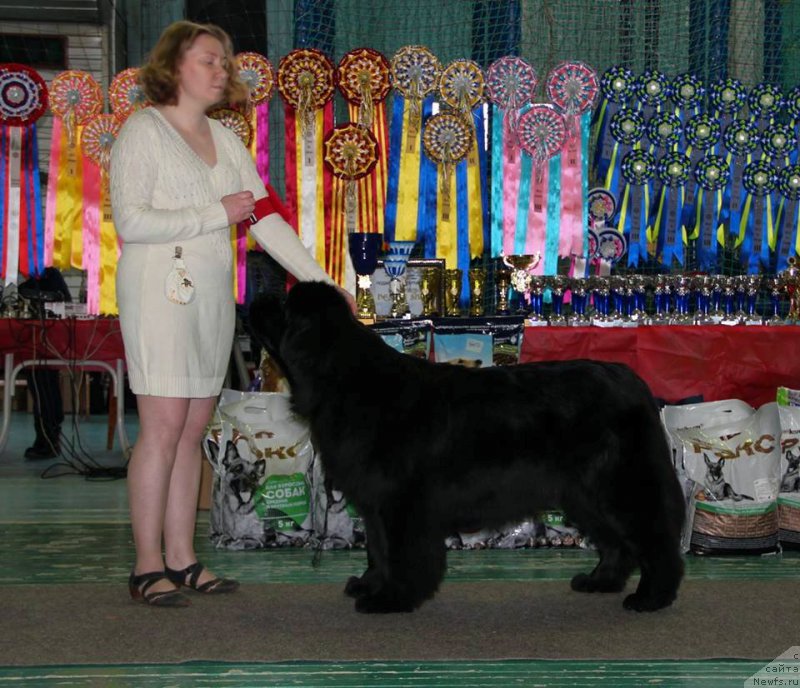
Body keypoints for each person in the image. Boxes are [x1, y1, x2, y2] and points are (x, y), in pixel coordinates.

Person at [110, 20, 351, 607]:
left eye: (224, 62)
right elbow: (131, 222)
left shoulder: (227, 137)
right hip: (159, 293)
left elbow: (264, 217)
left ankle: (184, 558)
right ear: (173, 67)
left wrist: (322, 281)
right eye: (209, 61)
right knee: (163, 429)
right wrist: (213, 212)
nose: (222, 71)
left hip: (212, 293)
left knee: (193, 430)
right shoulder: (142, 132)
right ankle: (147, 565)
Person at [18, 267, 72, 460]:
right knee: (42, 382)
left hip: (46, 342)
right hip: (43, 342)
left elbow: (59, 299)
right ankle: (47, 439)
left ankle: (48, 440)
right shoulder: (41, 277)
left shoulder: (48, 275)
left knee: (43, 382)